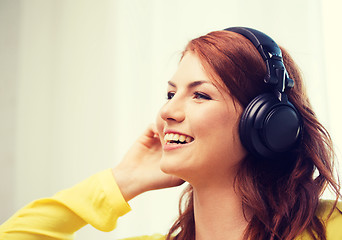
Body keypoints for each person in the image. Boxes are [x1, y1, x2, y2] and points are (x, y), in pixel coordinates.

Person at [0, 27, 341, 240]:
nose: (166, 112)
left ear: (267, 123)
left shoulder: (332, 227)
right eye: (169, 94)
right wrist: (123, 180)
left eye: (200, 94)